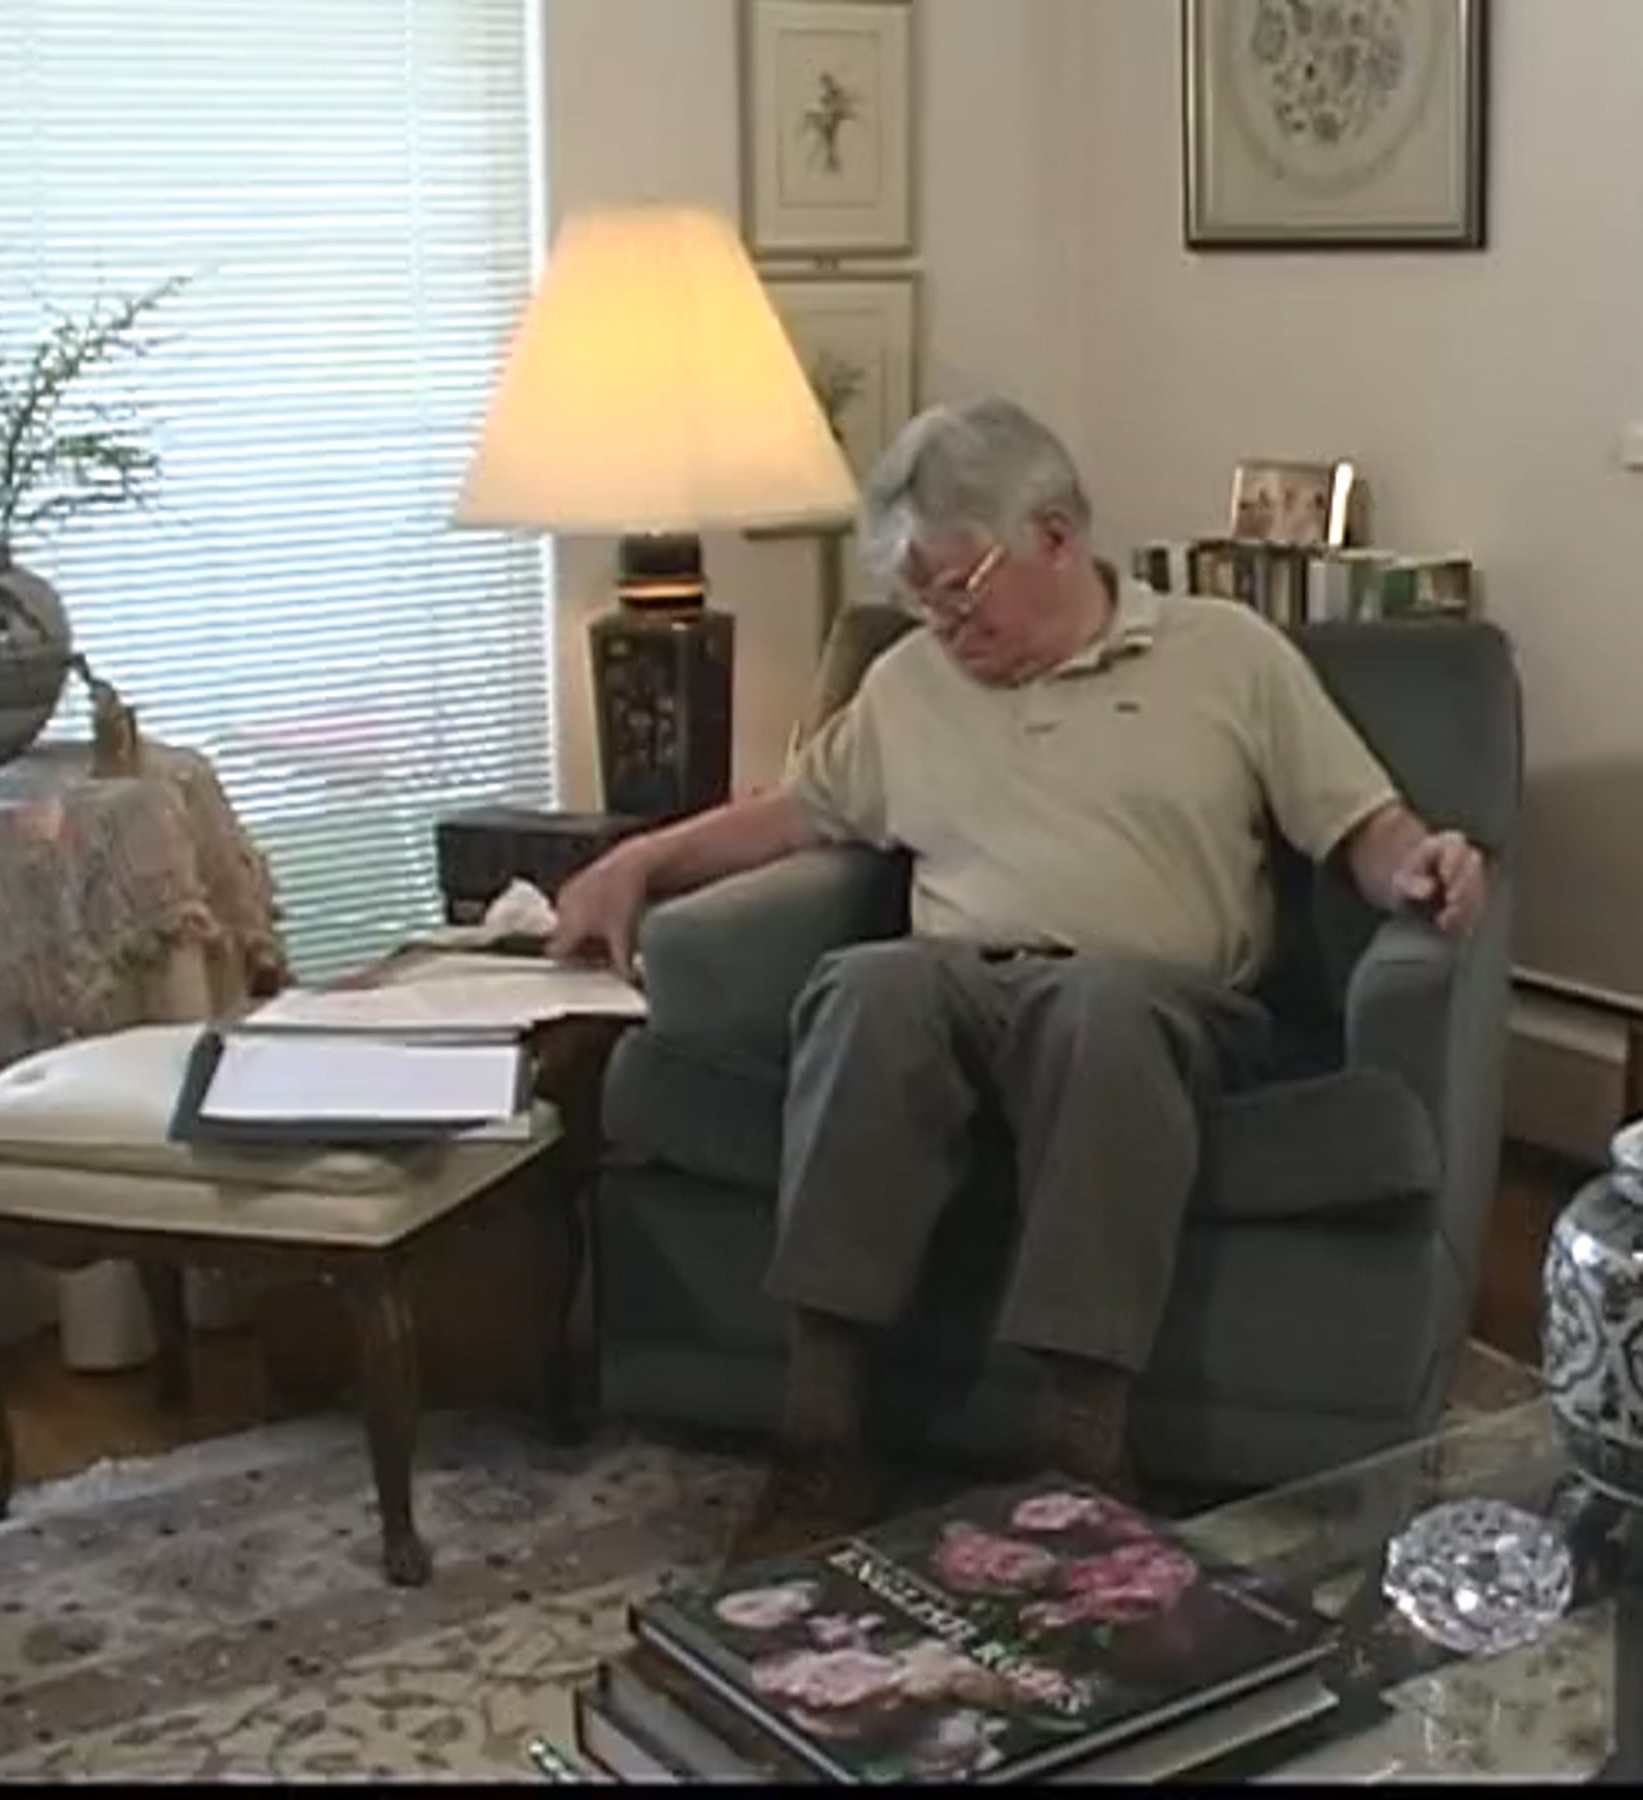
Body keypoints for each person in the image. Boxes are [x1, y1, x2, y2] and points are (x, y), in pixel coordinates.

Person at [550, 398, 1488, 1560]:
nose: (942, 623)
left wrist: (1423, 864)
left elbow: (1363, 825)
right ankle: (821, 1432)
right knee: (865, 989)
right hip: (956, 983)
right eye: (919, 599)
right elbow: (793, 815)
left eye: (959, 588)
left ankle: (1080, 1441)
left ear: (1055, 534)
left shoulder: (1228, 654)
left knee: (1100, 1007)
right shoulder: (909, 683)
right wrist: (639, 862)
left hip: (1161, 1001)